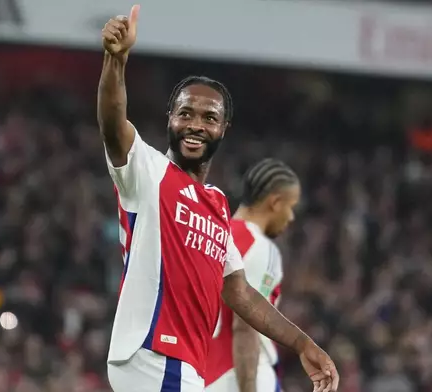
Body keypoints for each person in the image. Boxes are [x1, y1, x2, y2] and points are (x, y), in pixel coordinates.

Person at [98, 5, 339, 392]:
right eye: (185, 113)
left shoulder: (215, 204)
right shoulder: (148, 172)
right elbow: (113, 123)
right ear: (169, 118)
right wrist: (116, 60)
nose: (195, 124)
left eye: (209, 118)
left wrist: (302, 344)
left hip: (185, 366)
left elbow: (240, 292)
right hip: (153, 354)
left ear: (224, 128)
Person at [205, 159, 300, 392]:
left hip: (201, 376)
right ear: (275, 203)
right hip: (239, 377)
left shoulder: (211, 234)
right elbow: (246, 325)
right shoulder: (260, 248)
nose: (291, 218)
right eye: (290, 207)